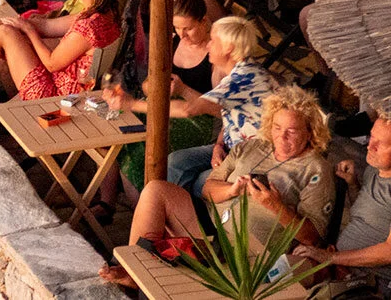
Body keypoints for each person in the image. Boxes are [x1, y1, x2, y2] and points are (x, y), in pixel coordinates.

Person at [100, 85, 334, 289]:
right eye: (277, 127)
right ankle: (136, 270)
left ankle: (160, 276)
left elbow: (312, 238)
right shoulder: (251, 148)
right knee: (156, 190)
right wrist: (231, 190)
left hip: (251, 252)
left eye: (291, 131)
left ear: (310, 132)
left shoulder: (316, 169)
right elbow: (207, 189)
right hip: (211, 232)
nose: (281, 137)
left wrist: (275, 206)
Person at [94, 0, 221, 219]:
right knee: (114, 129)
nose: (182, 34)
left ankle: (144, 214)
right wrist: (155, 87)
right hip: (162, 106)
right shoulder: (174, 42)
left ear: (204, 21)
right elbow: (146, 85)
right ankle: (108, 202)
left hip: (198, 121)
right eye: (177, 27)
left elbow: (218, 109)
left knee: (137, 148)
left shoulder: (215, 55)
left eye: (188, 28)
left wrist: (183, 91)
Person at [292, 118, 391, 300]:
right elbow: (371, 217)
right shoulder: (375, 170)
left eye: (381, 144)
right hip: (342, 265)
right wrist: (353, 184)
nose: (370, 146)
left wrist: (330, 258)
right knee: (273, 275)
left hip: (381, 283)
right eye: (372, 137)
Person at [159, 16, 277, 195]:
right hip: (230, 149)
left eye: (213, 41)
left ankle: (185, 215)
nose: (208, 46)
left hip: (253, 159)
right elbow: (229, 114)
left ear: (228, 48)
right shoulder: (240, 71)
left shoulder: (243, 78)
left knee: (201, 182)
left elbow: (188, 110)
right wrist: (218, 146)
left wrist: (130, 104)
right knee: (176, 161)